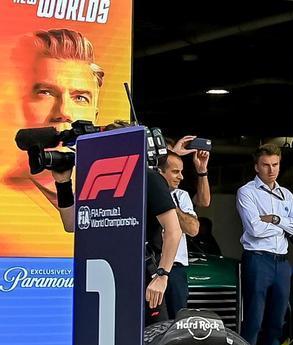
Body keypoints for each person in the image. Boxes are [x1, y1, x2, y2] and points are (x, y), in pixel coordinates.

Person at [49, 145, 183, 317]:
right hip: (104, 273)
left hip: (141, 272)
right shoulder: (96, 178)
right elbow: (71, 224)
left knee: (151, 338)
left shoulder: (147, 177)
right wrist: (63, 184)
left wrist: (162, 275)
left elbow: (174, 230)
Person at [4, 29, 106, 255]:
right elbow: (72, 226)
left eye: (80, 97)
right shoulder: (7, 197)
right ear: (20, 103)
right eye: (46, 93)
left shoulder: (109, 185)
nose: (64, 112)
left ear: (95, 114)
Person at [236, 144, 293, 345]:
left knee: (277, 321)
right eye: (266, 165)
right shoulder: (247, 192)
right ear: (257, 166)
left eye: (275, 164)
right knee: (253, 320)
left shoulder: (286, 194)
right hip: (258, 258)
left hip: (282, 262)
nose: (271, 170)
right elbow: (255, 229)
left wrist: (275, 219)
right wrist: (286, 225)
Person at [155, 152, 201, 320]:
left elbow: (193, 229)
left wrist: (167, 202)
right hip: (149, 266)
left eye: (181, 172)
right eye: (175, 172)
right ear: (160, 172)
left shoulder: (181, 196)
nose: (181, 177)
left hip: (175, 268)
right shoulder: (144, 194)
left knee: (177, 321)